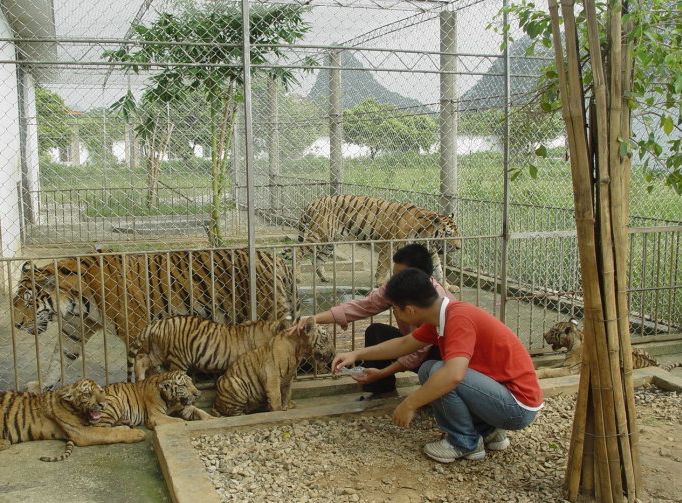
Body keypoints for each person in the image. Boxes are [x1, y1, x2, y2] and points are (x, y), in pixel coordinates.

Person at [332, 268, 543, 463]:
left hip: (517, 407)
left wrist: (409, 404)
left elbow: (454, 375)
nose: (395, 314)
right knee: (428, 368)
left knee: (438, 371)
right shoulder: (443, 316)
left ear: (410, 310)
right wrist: (356, 353)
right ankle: (489, 431)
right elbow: (405, 343)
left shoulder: (458, 319)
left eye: (395, 309)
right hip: (505, 397)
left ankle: (465, 442)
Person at [290, 244, 454, 400]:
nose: (394, 280)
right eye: (394, 274)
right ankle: (381, 392)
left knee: (430, 369)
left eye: (400, 276)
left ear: (417, 277)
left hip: (442, 358)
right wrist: (313, 319)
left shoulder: (439, 305)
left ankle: (441, 397)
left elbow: (417, 352)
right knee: (376, 331)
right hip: (414, 344)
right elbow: (363, 306)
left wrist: (383, 374)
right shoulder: (398, 289)